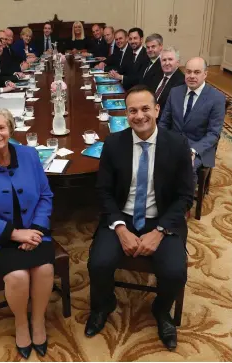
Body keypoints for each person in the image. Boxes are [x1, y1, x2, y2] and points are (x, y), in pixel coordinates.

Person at [86, 84, 193, 351]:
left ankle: (161, 310)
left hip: (162, 219)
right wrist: (120, 229)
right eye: (132, 110)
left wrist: (160, 232)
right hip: (123, 216)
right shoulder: (113, 143)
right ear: (126, 114)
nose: (139, 115)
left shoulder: (177, 144)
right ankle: (104, 304)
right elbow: (103, 191)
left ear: (157, 110)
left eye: (145, 108)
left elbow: (184, 197)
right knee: (98, 263)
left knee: (174, 271)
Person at [0, 108, 55, 359]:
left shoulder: (29, 155)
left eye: (1, 128)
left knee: (45, 269)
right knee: (17, 277)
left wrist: (35, 230)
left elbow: (46, 196)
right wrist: (15, 235)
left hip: (34, 229)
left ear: (10, 130)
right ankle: (21, 323)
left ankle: (37, 321)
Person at [159, 57, 226, 185]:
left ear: (205, 74)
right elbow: (164, 122)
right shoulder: (175, 92)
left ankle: (183, 200)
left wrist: (193, 150)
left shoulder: (217, 98)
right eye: (188, 72)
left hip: (198, 146)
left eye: (197, 72)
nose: (191, 76)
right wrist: (162, 141)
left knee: (186, 167)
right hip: (173, 141)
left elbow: (213, 134)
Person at [155, 46, 185, 117]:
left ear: (178, 62)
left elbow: (171, 112)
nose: (167, 63)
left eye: (170, 59)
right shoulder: (158, 74)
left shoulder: (181, 82)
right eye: (164, 60)